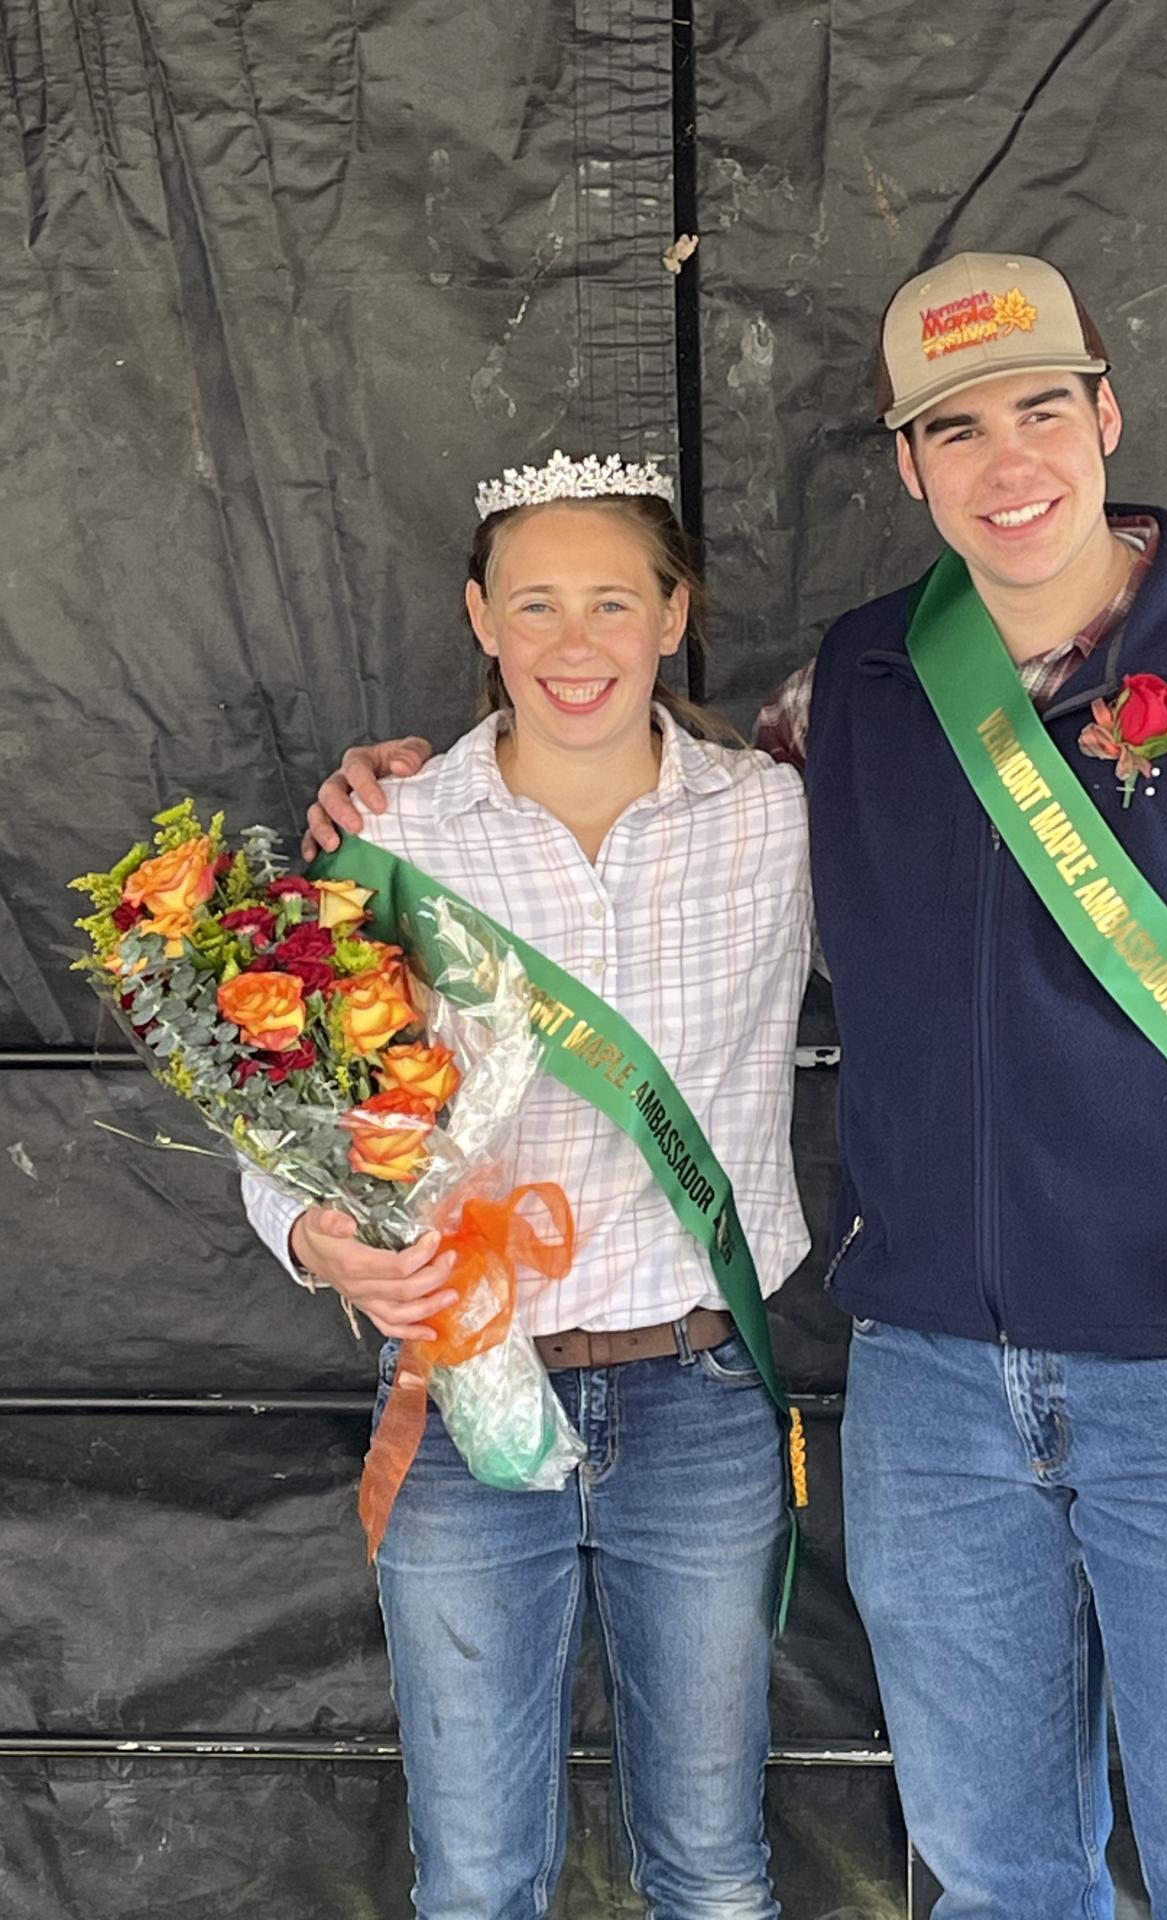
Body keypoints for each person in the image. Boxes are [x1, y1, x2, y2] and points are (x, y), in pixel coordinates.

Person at [305, 255, 1167, 1919]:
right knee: (991, 1871)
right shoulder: (847, 694)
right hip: (934, 1390)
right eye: (957, 429)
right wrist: (402, 801)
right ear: (909, 466)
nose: (1008, 462)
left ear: (1107, 418)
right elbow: (635, 797)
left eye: (1041, 410)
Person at [246, 453, 812, 1920]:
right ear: (479, 618)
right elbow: (286, 1102)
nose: (576, 642)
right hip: (460, 1396)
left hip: (699, 1392)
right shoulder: (394, 833)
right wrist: (317, 1236)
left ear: (674, 616)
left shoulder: (777, 820)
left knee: (712, 1866)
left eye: (614, 601)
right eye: (537, 602)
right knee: (480, 1875)